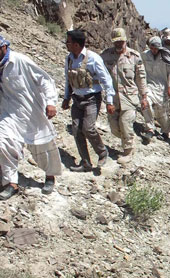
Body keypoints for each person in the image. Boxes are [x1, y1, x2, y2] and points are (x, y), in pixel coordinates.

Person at [0, 35, 62, 199]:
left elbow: (46, 80)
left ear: (4, 47)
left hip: (32, 112)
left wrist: (51, 102)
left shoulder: (19, 61)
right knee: (3, 142)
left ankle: (50, 176)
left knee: (42, 147)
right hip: (8, 113)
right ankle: (11, 183)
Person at [62, 29, 115, 172]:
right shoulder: (69, 59)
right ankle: (85, 162)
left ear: (77, 44)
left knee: (88, 128)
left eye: (68, 41)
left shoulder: (93, 58)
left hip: (92, 99)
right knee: (76, 129)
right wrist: (66, 97)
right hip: (76, 99)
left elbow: (106, 80)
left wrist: (110, 101)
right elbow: (68, 80)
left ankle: (102, 153)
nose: (66, 44)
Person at [101, 28, 149, 164]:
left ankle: (128, 151)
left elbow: (141, 78)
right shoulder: (106, 56)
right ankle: (128, 140)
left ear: (125, 40)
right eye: (116, 42)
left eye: (121, 41)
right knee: (115, 128)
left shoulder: (134, 57)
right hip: (113, 98)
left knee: (125, 123)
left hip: (129, 97)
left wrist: (144, 97)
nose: (118, 44)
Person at [142, 36, 170, 141]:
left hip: (162, 87)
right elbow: (140, 70)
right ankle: (150, 129)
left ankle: (166, 131)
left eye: (156, 48)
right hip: (149, 85)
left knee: (161, 112)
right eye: (152, 48)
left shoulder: (166, 57)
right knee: (146, 103)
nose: (154, 50)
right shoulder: (144, 55)